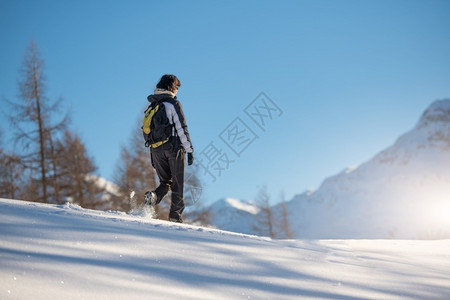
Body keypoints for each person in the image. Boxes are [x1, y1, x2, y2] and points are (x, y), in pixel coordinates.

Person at [144, 74, 194, 223]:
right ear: (171, 87)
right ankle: (175, 217)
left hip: (155, 150)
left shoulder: (152, 106)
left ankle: (154, 197)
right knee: (178, 185)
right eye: (177, 87)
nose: (177, 91)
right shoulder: (173, 104)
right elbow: (181, 128)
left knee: (166, 182)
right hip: (173, 148)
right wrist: (189, 150)